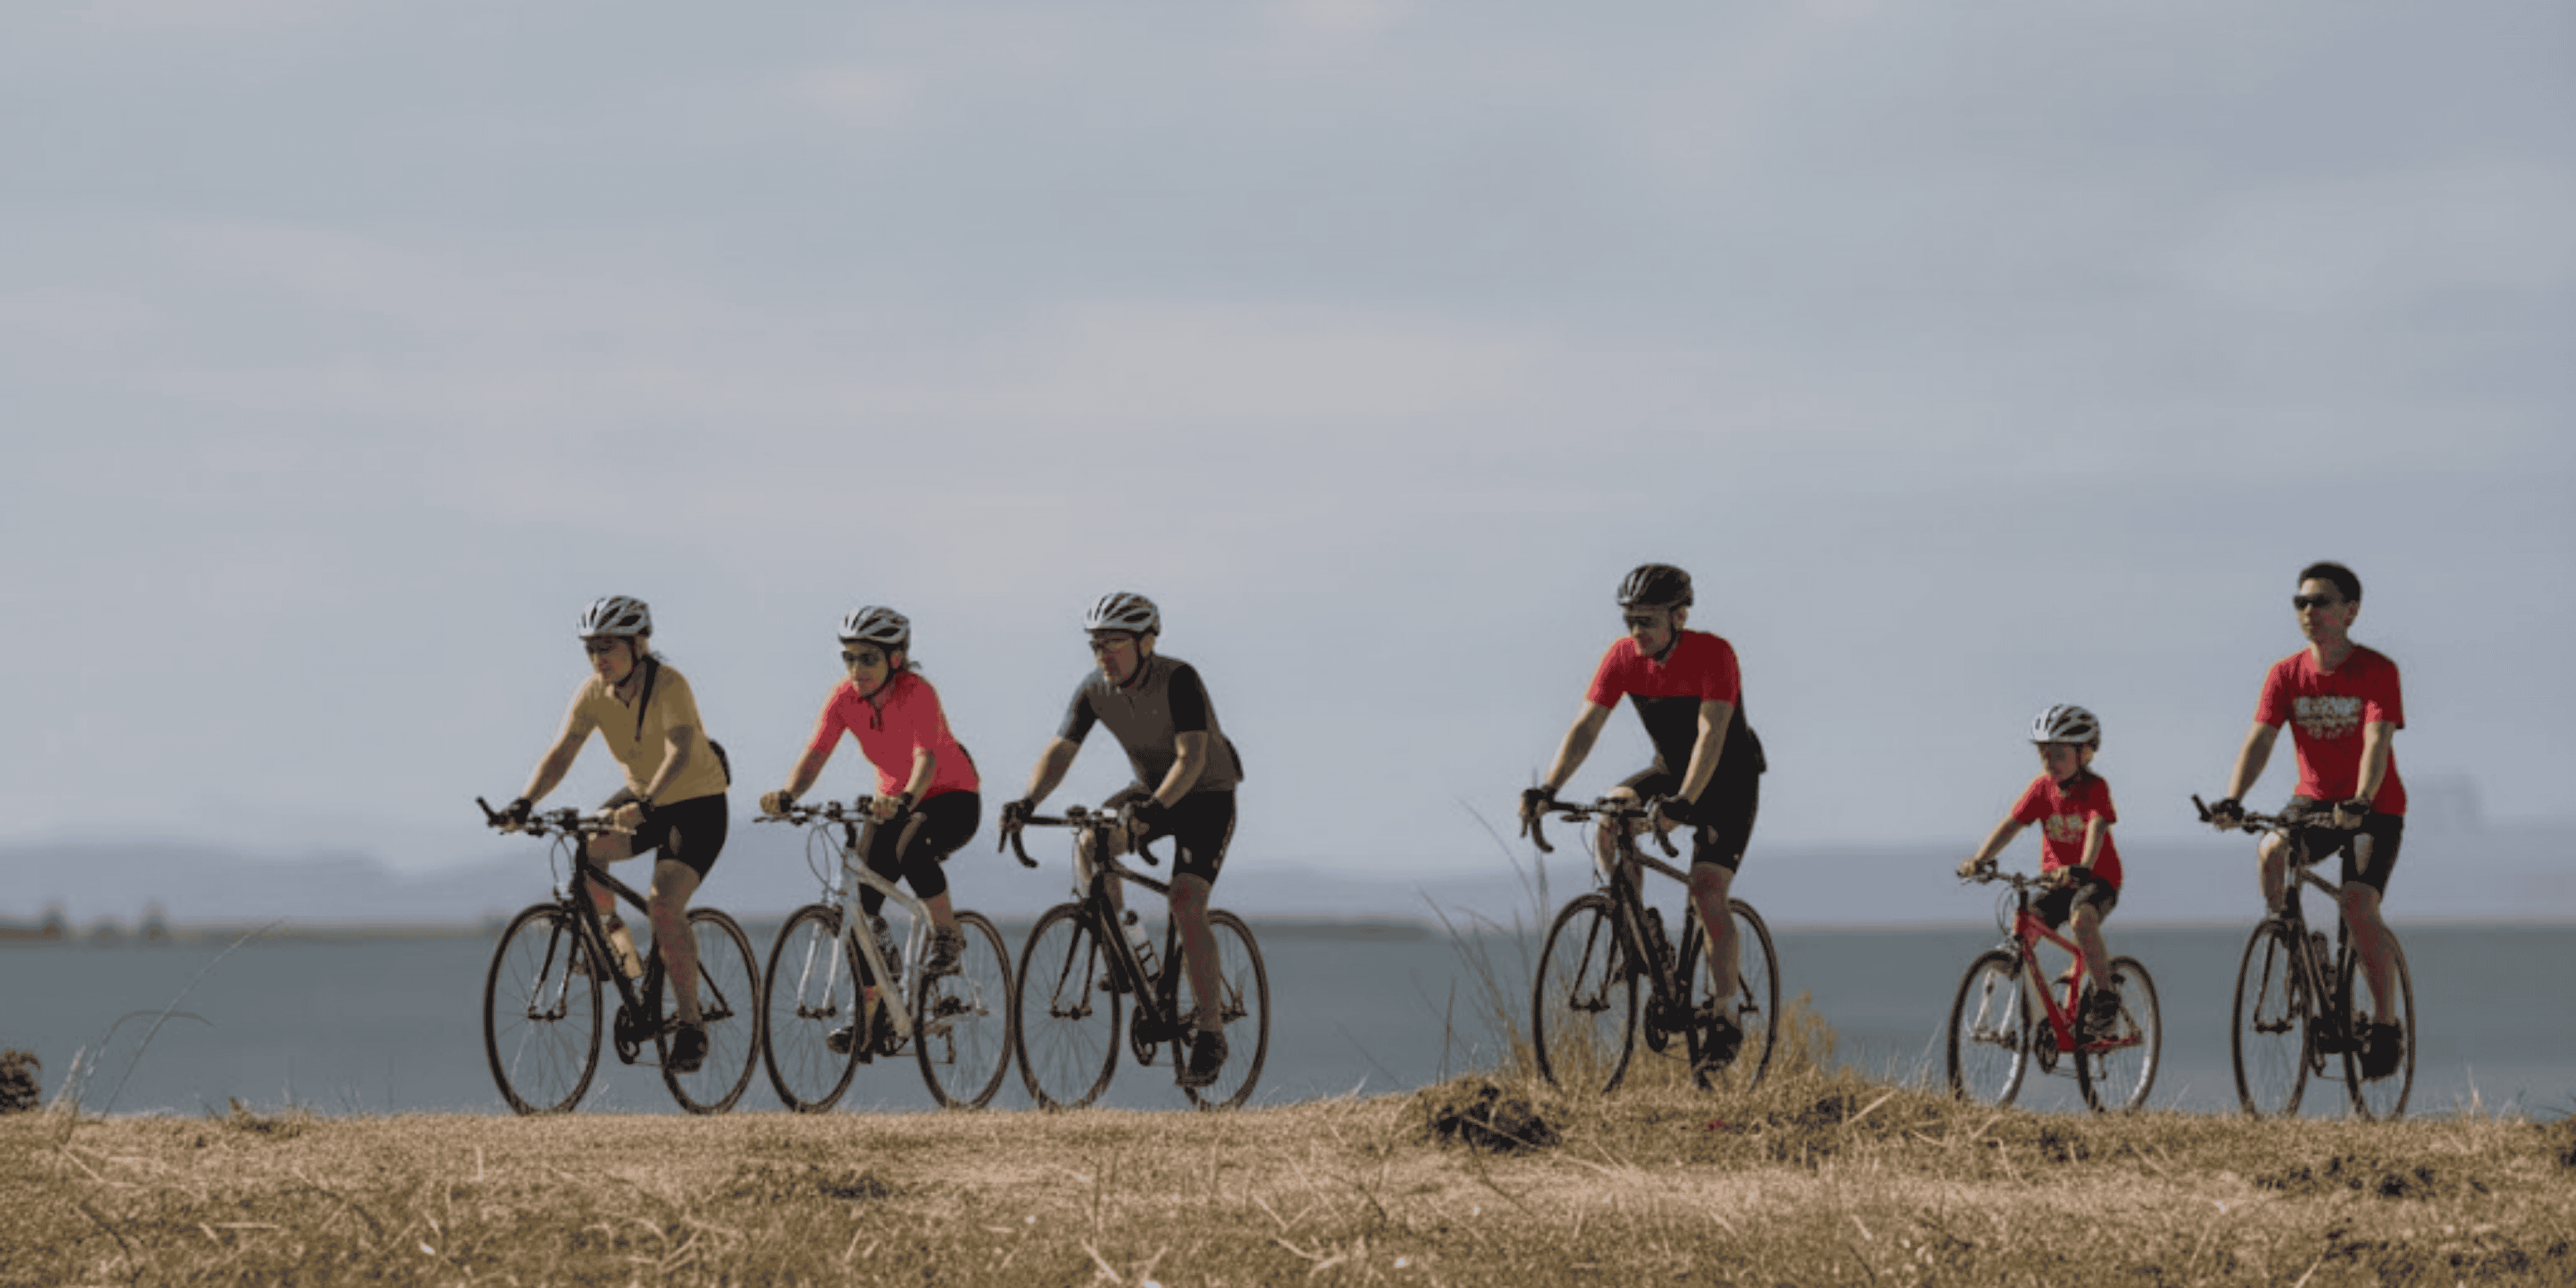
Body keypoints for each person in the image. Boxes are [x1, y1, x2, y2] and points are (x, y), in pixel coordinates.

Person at [1519, 563, 1766, 1071]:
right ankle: (1636, 931)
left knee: (1706, 893)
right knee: (1610, 815)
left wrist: (1682, 806)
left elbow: (1711, 736)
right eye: (1630, 620)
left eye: (1648, 621)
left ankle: (1725, 1015)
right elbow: (1586, 728)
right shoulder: (1623, 659)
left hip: (1728, 782)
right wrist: (1549, 789)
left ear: (1679, 616)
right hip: (1669, 772)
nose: (1637, 632)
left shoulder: (1714, 654)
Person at [1002, 592, 1245, 1089]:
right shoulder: (1095, 689)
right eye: (1096, 646)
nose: (1104, 656)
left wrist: (1153, 810)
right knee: (1091, 842)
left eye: (1114, 644)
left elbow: (1191, 756)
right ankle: (1123, 953)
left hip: (1206, 794)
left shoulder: (1179, 678)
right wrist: (1027, 802)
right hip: (1152, 790)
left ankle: (1211, 1031)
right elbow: (1061, 750)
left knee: (1186, 901)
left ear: (1146, 642)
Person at [497, 596, 730, 1073]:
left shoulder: (669, 685)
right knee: (588, 852)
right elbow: (562, 752)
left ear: (638, 645)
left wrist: (644, 806)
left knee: (665, 905)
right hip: (644, 800)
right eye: (592, 650)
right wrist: (525, 802)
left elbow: (682, 750)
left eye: (610, 648)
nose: (600, 659)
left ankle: (691, 1026)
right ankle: (618, 955)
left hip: (695, 805)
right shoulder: (593, 693)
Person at [2205, 560, 2409, 1079]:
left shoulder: (2377, 670)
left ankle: (2384, 1025)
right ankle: (2294, 941)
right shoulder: (2285, 674)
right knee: (2272, 850)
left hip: (2373, 808)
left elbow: (2376, 739)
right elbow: (2262, 740)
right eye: (2301, 602)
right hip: (2312, 801)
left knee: (2359, 905)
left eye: (2320, 602)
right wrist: (2232, 798)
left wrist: (2362, 798)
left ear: (2351, 611)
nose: (2309, 612)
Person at [760, 607, 981, 1060]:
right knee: (858, 908)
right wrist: (788, 794)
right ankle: (873, 1014)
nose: (856, 669)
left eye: (868, 658)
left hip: (951, 797)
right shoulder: (843, 697)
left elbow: (926, 759)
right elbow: (816, 754)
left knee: (910, 847)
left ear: (895, 659)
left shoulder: (918, 692)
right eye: (849, 658)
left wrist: (905, 800)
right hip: (891, 804)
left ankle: (947, 935)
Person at [1957, 705, 2125, 1041]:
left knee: (2082, 920)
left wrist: (2084, 866)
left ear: (2084, 754)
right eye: (2043, 754)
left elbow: (2097, 827)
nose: (2049, 762)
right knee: (2022, 938)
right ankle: (2035, 1016)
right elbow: (2011, 826)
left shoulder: (2096, 788)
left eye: (2059, 754)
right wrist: (1980, 859)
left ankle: (2106, 999)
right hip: (2056, 882)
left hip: (2098, 879)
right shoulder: (2041, 789)